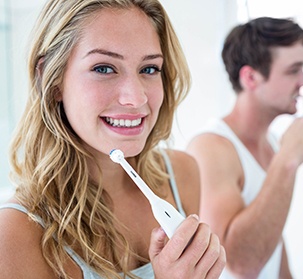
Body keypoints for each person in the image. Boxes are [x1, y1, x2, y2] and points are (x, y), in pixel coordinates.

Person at [0, 0, 226, 278]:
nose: (136, 98)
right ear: (52, 78)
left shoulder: (182, 175)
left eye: (149, 69)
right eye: (104, 68)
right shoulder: (14, 234)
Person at [187, 17, 303, 279]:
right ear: (251, 77)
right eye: (293, 70)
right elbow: (240, 264)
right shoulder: (211, 148)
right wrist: (288, 159)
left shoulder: (273, 142)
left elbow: (271, 234)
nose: (302, 81)